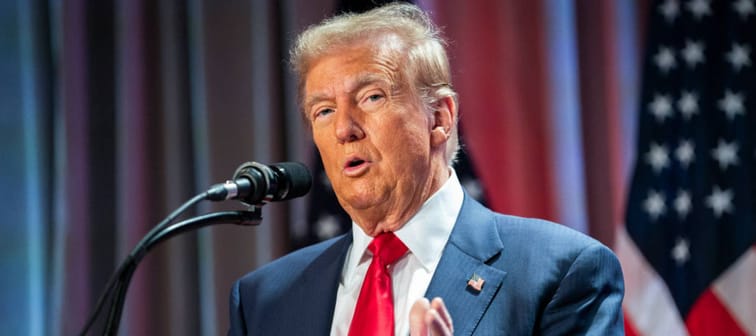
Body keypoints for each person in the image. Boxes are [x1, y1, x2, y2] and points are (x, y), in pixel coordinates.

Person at [228, 3, 624, 335]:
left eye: (371, 97)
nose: (344, 129)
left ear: (439, 117)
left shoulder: (560, 273)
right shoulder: (264, 301)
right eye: (324, 110)